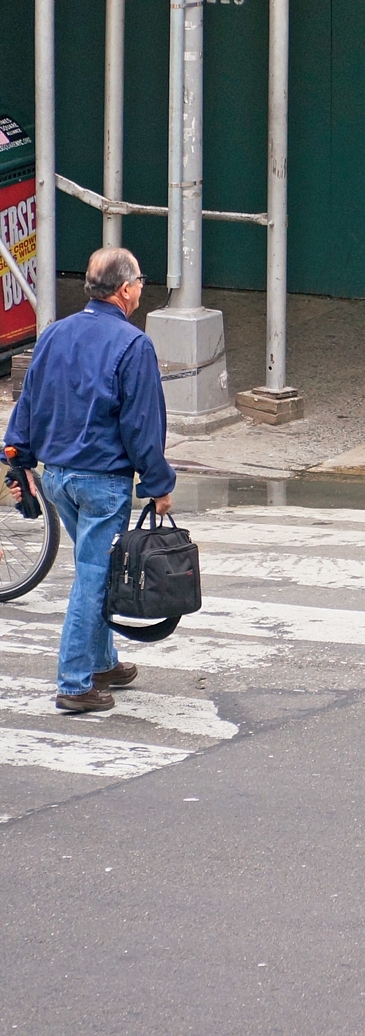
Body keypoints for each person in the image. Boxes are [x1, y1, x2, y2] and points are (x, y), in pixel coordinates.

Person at [4, 247, 175, 713]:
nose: (142, 286)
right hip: (103, 482)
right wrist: (159, 484)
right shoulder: (133, 345)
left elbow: (29, 401)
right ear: (124, 290)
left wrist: (17, 456)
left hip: (59, 478)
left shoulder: (56, 334)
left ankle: (103, 661)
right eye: (140, 280)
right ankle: (75, 682)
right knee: (95, 577)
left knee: (93, 570)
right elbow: (142, 426)